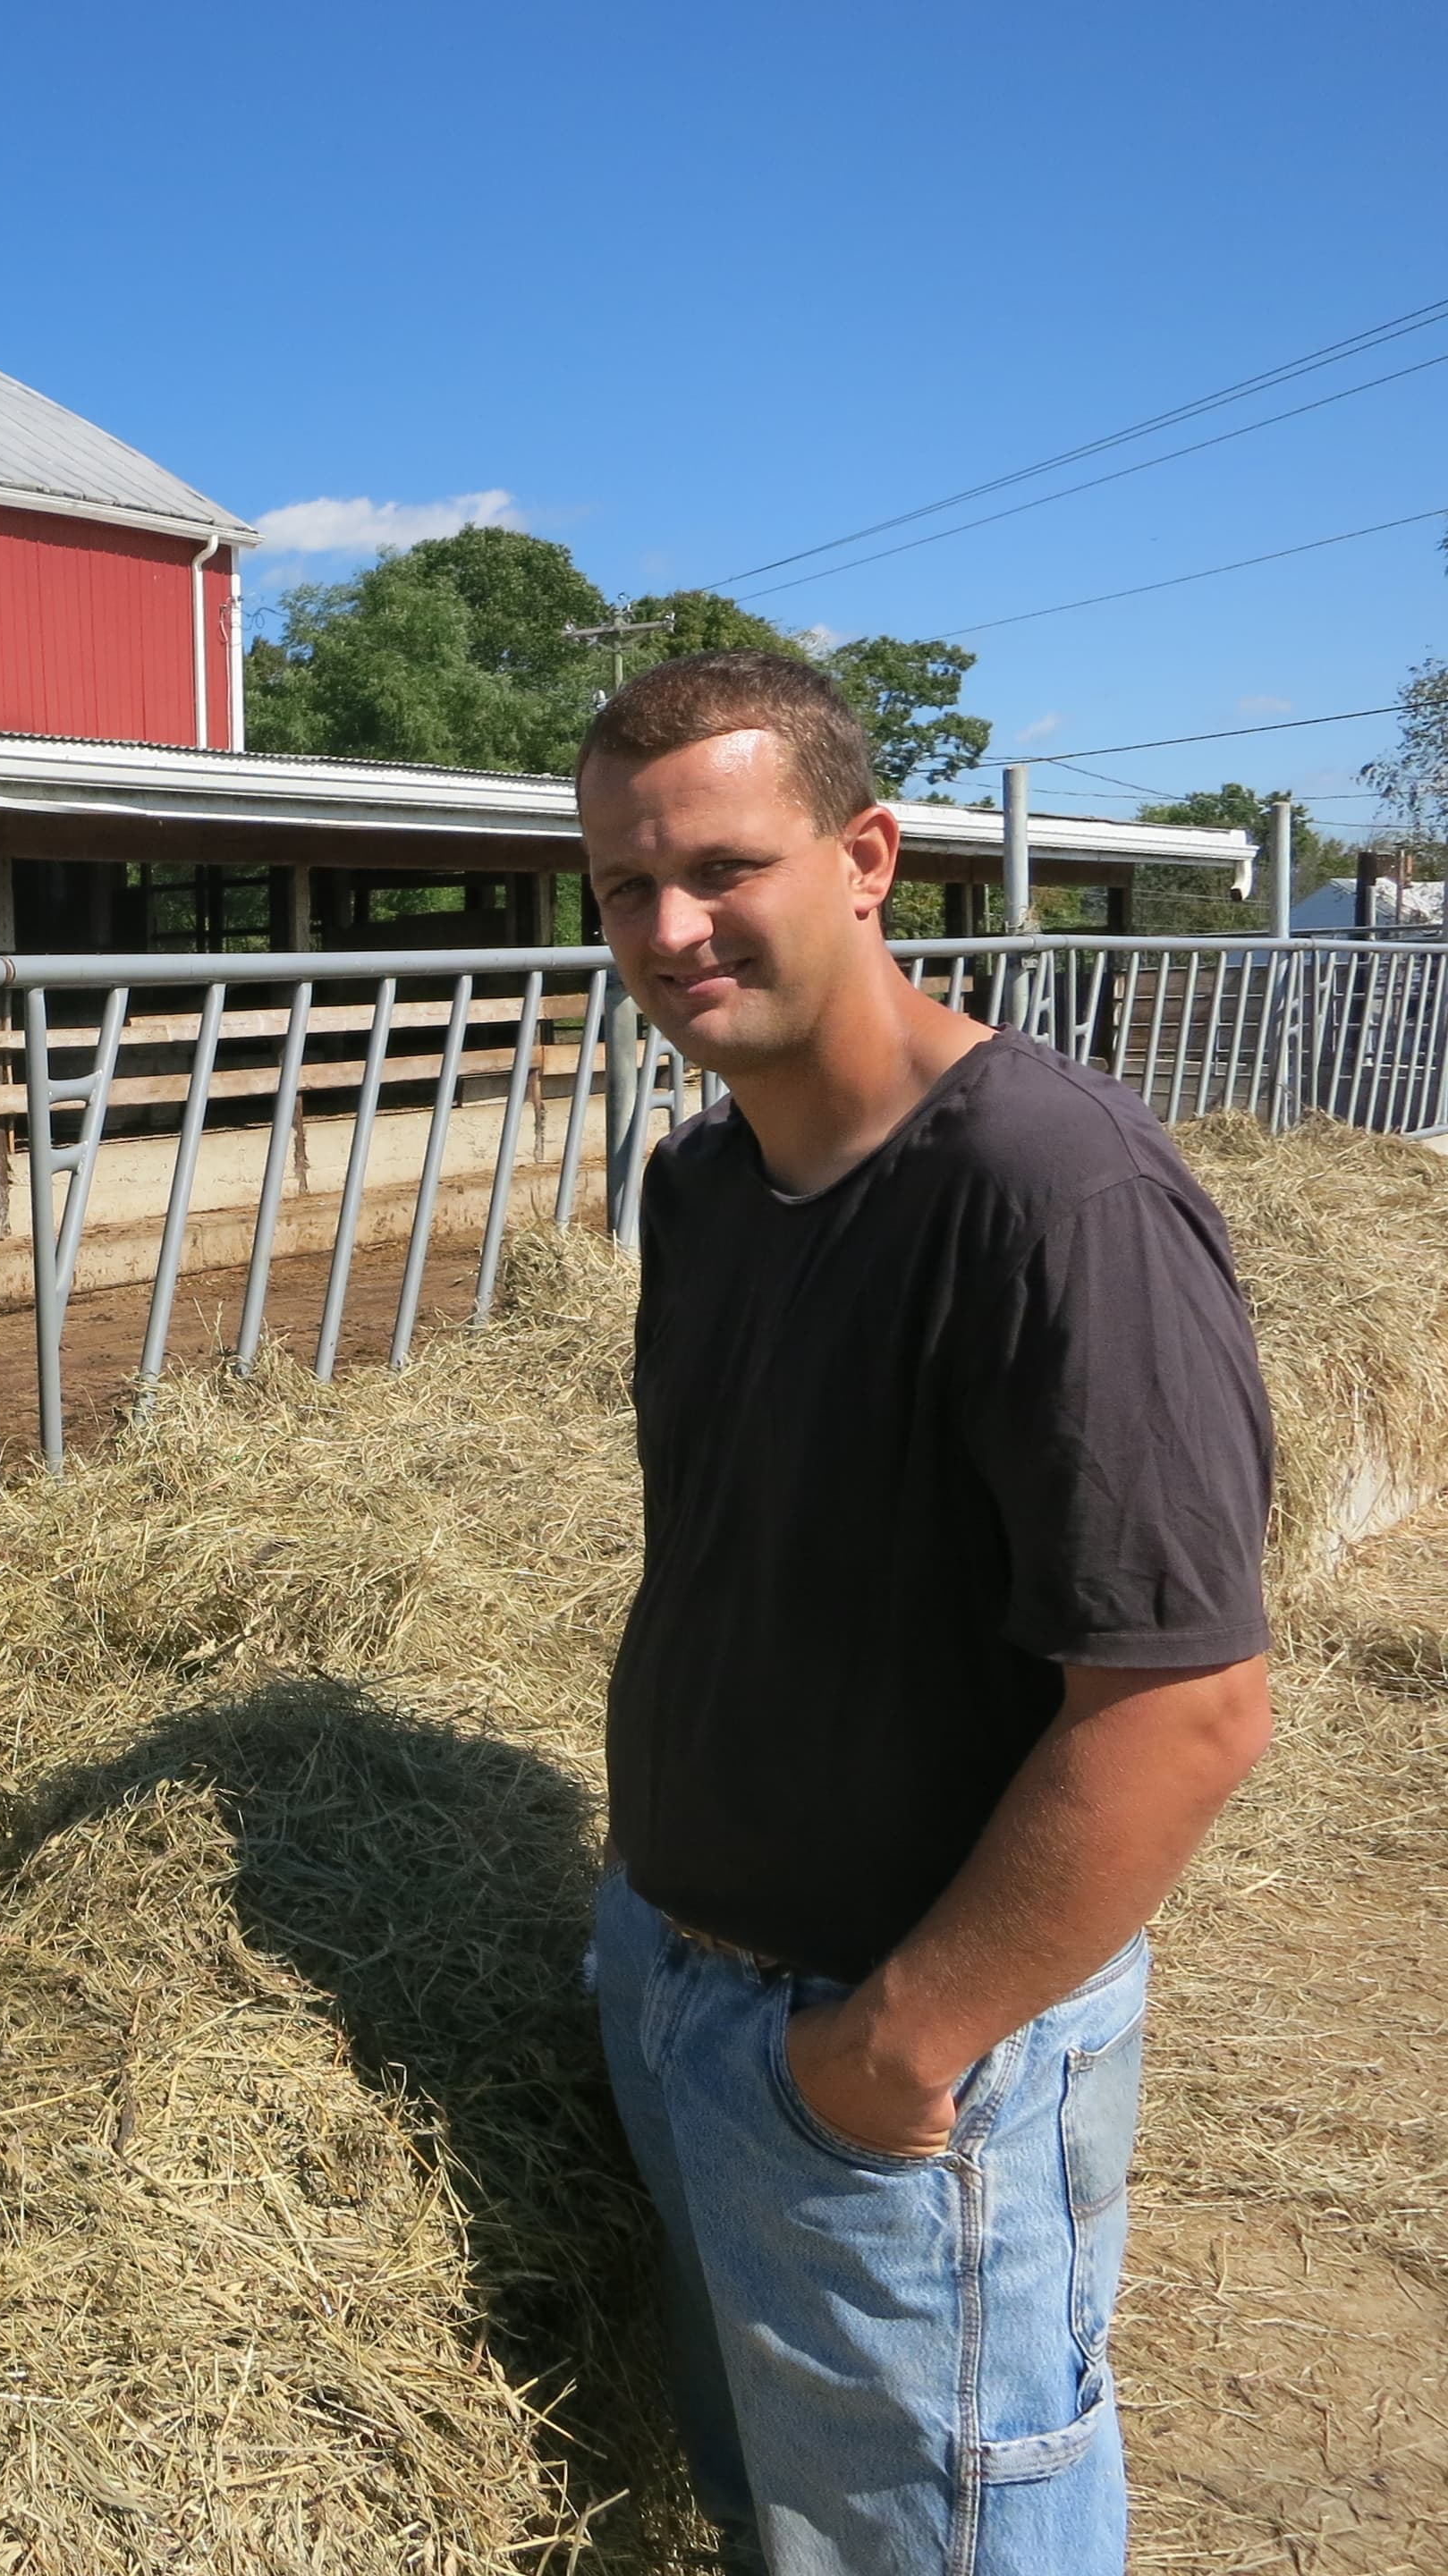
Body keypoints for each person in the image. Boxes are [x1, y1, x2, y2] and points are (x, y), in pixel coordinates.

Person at [576, 652, 1276, 2575]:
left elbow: (1185, 1709)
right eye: (624, 886)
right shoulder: (706, 1187)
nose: (672, 927)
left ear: (869, 856)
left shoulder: (1054, 1198)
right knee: (778, 2515)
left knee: (936, 2541)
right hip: (683, 1982)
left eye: (726, 865)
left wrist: (896, 2046)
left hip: (887, 2044)